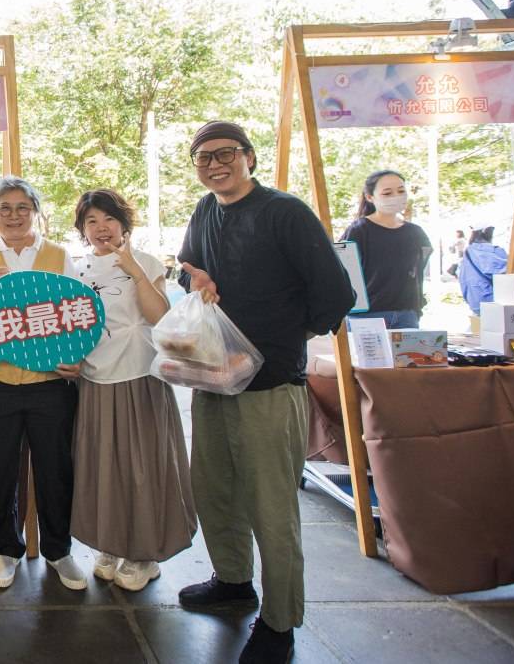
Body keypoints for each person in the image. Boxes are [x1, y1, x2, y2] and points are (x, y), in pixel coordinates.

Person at [176, 121, 354, 664]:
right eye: (203, 158)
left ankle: (280, 621)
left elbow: (335, 294)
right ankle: (233, 580)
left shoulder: (285, 212)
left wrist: (284, 338)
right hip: (213, 377)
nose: (214, 165)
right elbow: (187, 268)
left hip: (270, 384)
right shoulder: (205, 211)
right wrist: (195, 281)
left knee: (272, 508)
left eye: (225, 154)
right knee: (215, 489)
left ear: (249, 157)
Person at [66, 189, 195, 593]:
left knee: (143, 466)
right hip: (95, 377)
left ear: (123, 223)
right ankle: (110, 543)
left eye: (109, 218)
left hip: (140, 376)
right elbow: (69, 325)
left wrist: (134, 270)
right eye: (91, 221)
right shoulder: (75, 269)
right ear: (82, 229)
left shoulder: (147, 262)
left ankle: (143, 553)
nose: (101, 227)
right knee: (102, 465)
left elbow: (160, 317)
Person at [0, 176, 87, 592]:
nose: (14, 216)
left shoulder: (58, 255)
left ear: (35, 212)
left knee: (55, 468)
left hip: (49, 380)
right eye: (5, 208)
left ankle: (59, 550)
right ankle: (7, 549)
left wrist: (76, 357)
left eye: (23, 207)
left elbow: (77, 313)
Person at [340, 170, 432, 329]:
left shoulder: (416, 232)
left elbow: (419, 270)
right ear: (370, 197)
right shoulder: (359, 230)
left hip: (407, 316)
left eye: (401, 191)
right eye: (387, 193)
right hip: (367, 317)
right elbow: (345, 271)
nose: (396, 196)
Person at [459, 222, 507, 315]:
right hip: (494, 302)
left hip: (475, 303)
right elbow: (506, 274)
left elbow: (463, 279)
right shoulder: (496, 251)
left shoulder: (468, 252)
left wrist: (469, 298)